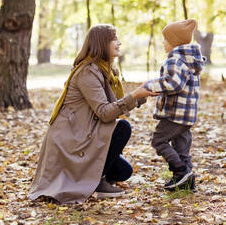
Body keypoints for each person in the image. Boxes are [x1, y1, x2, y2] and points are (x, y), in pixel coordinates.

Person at [28, 24, 155, 204]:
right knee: (123, 128)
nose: (119, 43)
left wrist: (141, 95)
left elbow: (115, 105)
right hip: (72, 137)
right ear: (103, 43)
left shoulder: (105, 71)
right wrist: (134, 95)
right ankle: (97, 181)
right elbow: (105, 113)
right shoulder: (88, 71)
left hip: (86, 131)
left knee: (124, 171)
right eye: (114, 39)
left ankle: (97, 178)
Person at [144, 19, 206, 191]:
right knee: (181, 146)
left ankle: (180, 171)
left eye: (165, 39)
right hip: (187, 115)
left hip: (174, 114)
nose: (163, 43)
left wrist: (150, 86)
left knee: (159, 140)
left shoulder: (175, 60)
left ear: (174, 42)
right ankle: (187, 182)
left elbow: (173, 84)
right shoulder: (190, 60)